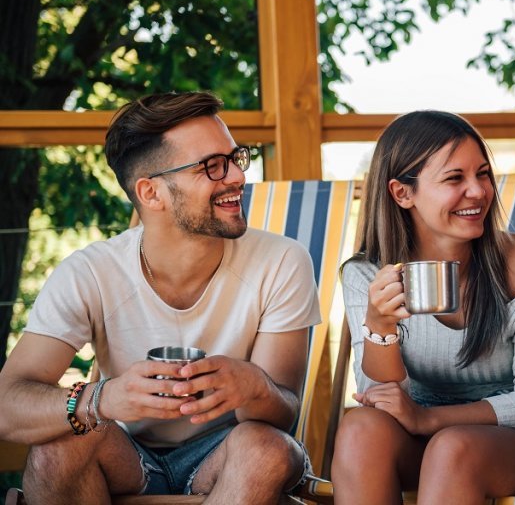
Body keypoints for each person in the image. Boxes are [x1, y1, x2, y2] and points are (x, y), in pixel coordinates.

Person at [0, 92, 321, 504]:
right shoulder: (92, 273)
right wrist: (102, 398)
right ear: (152, 194)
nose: (238, 177)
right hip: (125, 454)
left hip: (226, 455)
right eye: (212, 166)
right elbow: (8, 406)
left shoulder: (281, 261)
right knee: (57, 445)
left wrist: (254, 387)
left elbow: (283, 415)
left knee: (267, 450)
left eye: (235, 158)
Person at [332, 110, 515, 504]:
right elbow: (378, 397)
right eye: (455, 178)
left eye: (482, 174)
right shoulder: (368, 273)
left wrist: (430, 419)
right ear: (403, 193)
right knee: (360, 430)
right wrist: (379, 325)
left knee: (453, 447)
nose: (478, 191)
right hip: (423, 441)